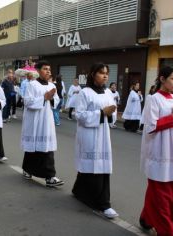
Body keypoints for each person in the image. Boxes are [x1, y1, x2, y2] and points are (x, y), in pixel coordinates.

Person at [139, 66, 173, 235]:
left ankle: (146, 218)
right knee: (161, 194)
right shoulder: (153, 99)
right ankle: (167, 230)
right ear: (162, 79)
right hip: (158, 150)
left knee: (170, 191)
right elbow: (150, 126)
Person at [72, 63, 118, 219]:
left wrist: (110, 113)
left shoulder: (107, 92)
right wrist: (101, 113)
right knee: (92, 165)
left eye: (106, 73)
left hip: (103, 134)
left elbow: (113, 111)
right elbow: (79, 115)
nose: (105, 76)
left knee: (101, 165)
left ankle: (80, 191)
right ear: (93, 74)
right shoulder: (85, 92)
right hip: (89, 134)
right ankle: (102, 203)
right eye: (101, 73)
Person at [21, 60, 64, 187]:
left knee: (47, 148)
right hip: (35, 120)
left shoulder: (52, 86)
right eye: (45, 69)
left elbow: (56, 103)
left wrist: (51, 99)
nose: (48, 71)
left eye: (49, 69)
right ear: (38, 71)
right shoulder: (32, 85)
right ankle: (28, 169)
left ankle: (50, 176)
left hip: (47, 120)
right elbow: (27, 102)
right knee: (33, 147)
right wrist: (44, 98)